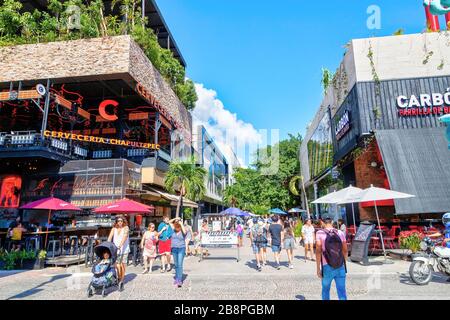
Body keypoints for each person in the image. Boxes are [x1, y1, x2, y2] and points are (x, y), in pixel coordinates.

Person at [315, 217, 348, 300]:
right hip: (340, 265)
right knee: (342, 291)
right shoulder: (340, 232)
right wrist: (344, 263)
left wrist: (318, 268)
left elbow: (318, 251)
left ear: (323, 223)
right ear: (332, 222)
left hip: (327, 266)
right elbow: (345, 250)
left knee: (325, 290)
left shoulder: (319, 233)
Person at [107, 215, 129, 291]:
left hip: (124, 249)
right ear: (116, 222)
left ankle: (121, 280)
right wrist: (107, 245)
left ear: (123, 221)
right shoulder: (113, 229)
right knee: (117, 265)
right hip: (115, 250)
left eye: (121, 221)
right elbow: (110, 237)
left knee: (122, 265)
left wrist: (120, 245)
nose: (120, 222)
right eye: (118, 221)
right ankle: (119, 277)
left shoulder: (126, 228)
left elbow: (125, 237)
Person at [168, 218, 187, 287]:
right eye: (175, 225)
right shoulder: (173, 230)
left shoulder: (183, 231)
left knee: (180, 264)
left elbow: (185, 232)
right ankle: (177, 277)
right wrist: (175, 219)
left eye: (177, 225)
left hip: (181, 248)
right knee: (176, 264)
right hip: (174, 249)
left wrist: (181, 223)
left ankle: (179, 279)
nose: (176, 228)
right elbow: (169, 222)